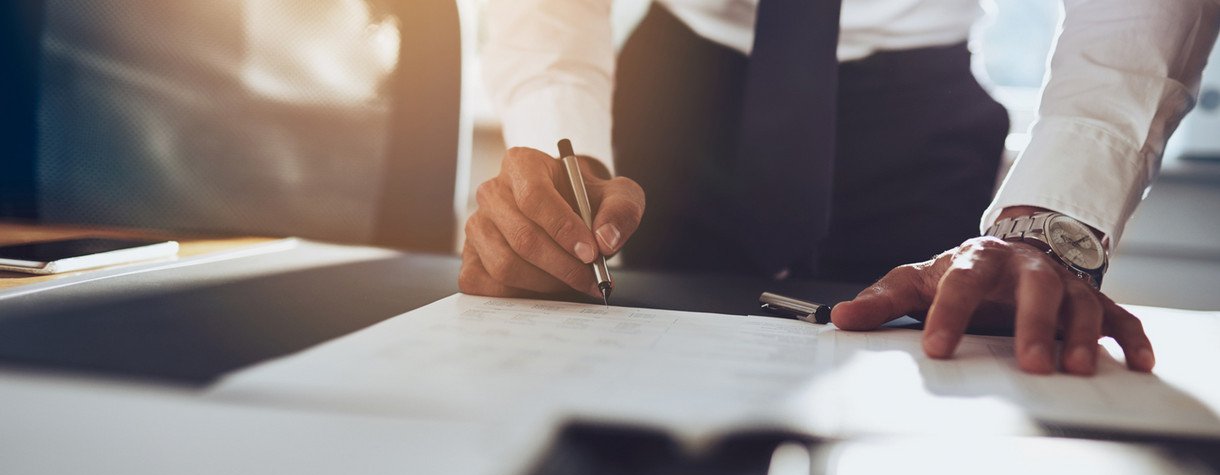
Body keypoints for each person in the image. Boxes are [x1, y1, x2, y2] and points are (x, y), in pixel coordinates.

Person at [460, 0, 1220, 375]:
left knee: (925, 392)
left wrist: (1054, 217)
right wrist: (560, 144)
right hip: (678, 93)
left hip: (919, 115)